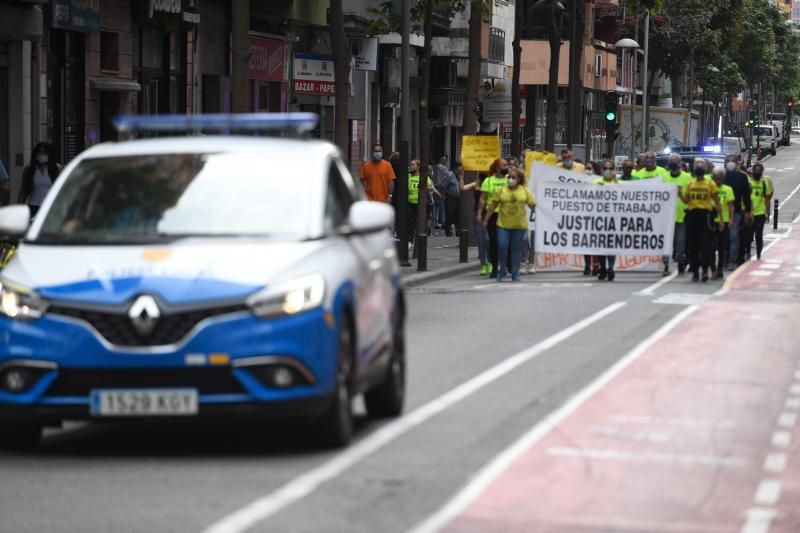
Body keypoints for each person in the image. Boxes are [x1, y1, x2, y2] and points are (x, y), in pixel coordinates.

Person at [483, 168, 535, 282]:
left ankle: (515, 273)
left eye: (513, 177)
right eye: (509, 177)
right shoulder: (501, 190)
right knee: (502, 247)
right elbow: (492, 206)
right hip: (503, 225)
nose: (510, 179)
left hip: (519, 226)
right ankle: (502, 270)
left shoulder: (525, 190)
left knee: (516, 250)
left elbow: (532, 205)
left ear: (519, 179)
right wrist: (486, 219)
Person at [680, 159, 724, 282]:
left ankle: (705, 270)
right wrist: (679, 194)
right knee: (692, 246)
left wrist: (721, 219)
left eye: (701, 167)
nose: (699, 169)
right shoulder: (690, 184)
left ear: (704, 170)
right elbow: (686, 201)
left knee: (705, 245)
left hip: (706, 216)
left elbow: (717, 202)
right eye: (697, 167)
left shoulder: (710, 184)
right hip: (692, 215)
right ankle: (695, 271)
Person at [476, 158, 509, 278]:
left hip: (507, 214)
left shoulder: (510, 180)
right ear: (496, 168)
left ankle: (507, 264)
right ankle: (495, 268)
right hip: (492, 215)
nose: (506, 167)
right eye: (503, 165)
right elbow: (482, 198)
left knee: (505, 242)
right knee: (493, 242)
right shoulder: (488, 181)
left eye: (507, 165)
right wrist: (479, 212)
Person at [662, 153, 692, 276]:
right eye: (671, 161)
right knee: (666, 244)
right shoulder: (664, 177)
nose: (672, 163)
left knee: (680, 243)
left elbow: (689, 200)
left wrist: (679, 193)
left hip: (682, 217)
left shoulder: (688, 178)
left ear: (680, 163)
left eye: (675, 161)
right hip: (666, 217)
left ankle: (681, 262)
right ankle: (665, 266)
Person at [723, 154, 753, 267]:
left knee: (733, 236)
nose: (730, 163)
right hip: (719, 212)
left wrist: (748, 211)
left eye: (733, 161)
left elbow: (746, 196)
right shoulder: (721, 176)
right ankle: (723, 258)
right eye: (728, 161)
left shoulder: (742, 177)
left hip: (735, 212)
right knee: (721, 238)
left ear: (737, 164)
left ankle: (732, 260)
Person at [19, 142, 62, 217]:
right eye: (40, 152)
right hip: (33, 207)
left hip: (51, 208)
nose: (42, 155)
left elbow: (63, 190)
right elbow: (23, 190)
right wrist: (19, 209)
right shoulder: (29, 169)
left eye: (45, 153)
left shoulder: (57, 168)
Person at [593, 160, 618, 281]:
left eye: (610, 168)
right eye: (605, 168)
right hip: (600, 220)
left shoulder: (617, 183)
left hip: (613, 220)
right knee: (600, 246)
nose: (608, 171)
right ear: (602, 171)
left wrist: (615, 182)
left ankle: (611, 268)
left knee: (611, 246)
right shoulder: (597, 182)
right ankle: (603, 268)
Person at [744, 162, 773, 261]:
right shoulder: (748, 183)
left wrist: (768, 214)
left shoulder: (764, 184)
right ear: (752, 172)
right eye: (755, 171)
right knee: (748, 235)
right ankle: (747, 252)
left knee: (759, 235)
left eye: (759, 171)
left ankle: (758, 255)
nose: (757, 173)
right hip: (749, 213)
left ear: (761, 173)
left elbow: (767, 199)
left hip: (760, 213)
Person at [464, 172, 491, 275]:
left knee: (488, 239)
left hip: (489, 214)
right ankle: (484, 264)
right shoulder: (475, 184)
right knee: (481, 240)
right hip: (477, 215)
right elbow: (462, 188)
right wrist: (462, 176)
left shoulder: (490, 183)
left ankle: (490, 261)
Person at [711, 168, 735, 280]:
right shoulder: (710, 188)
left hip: (724, 221)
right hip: (711, 221)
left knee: (721, 247)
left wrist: (731, 219)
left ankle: (720, 268)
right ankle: (713, 269)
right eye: (716, 178)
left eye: (720, 178)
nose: (718, 180)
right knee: (711, 246)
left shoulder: (728, 189)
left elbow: (731, 206)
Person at [407, 159, 435, 246]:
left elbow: (430, 187)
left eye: (413, 165)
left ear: (418, 167)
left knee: (422, 224)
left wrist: (430, 188)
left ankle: (420, 242)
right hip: (410, 203)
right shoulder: (408, 176)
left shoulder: (424, 178)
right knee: (410, 223)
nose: (410, 166)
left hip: (421, 204)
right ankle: (410, 241)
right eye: (410, 165)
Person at [442, 162, 462, 237]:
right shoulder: (449, 175)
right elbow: (443, 185)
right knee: (449, 215)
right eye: (460, 168)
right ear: (456, 168)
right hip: (450, 198)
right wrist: (443, 195)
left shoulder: (460, 175)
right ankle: (448, 231)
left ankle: (458, 232)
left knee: (458, 216)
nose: (461, 169)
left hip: (459, 198)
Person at [432, 156, 449, 229]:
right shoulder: (444, 169)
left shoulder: (434, 167)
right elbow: (448, 177)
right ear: (443, 160)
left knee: (435, 206)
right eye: (445, 161)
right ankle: (443, 222)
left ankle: (435, 222)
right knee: (442, 205)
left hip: (434, 186)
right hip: (441, 188)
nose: (446, 162)